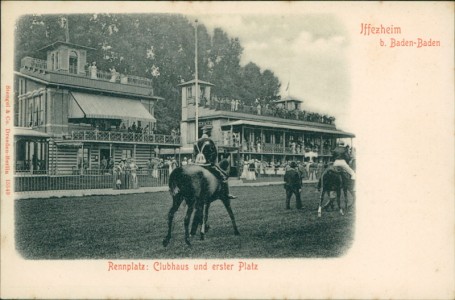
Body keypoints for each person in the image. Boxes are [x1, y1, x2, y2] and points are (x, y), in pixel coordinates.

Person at [193, 132, 237, 199]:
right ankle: (226, 194)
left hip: (196, 164)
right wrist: (212, 162)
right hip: (207, 164)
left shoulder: (196, 142)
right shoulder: (210, 141)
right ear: (208, 136)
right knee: (223, 177)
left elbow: (194, 153)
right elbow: (214, 153)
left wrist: (194, 161)